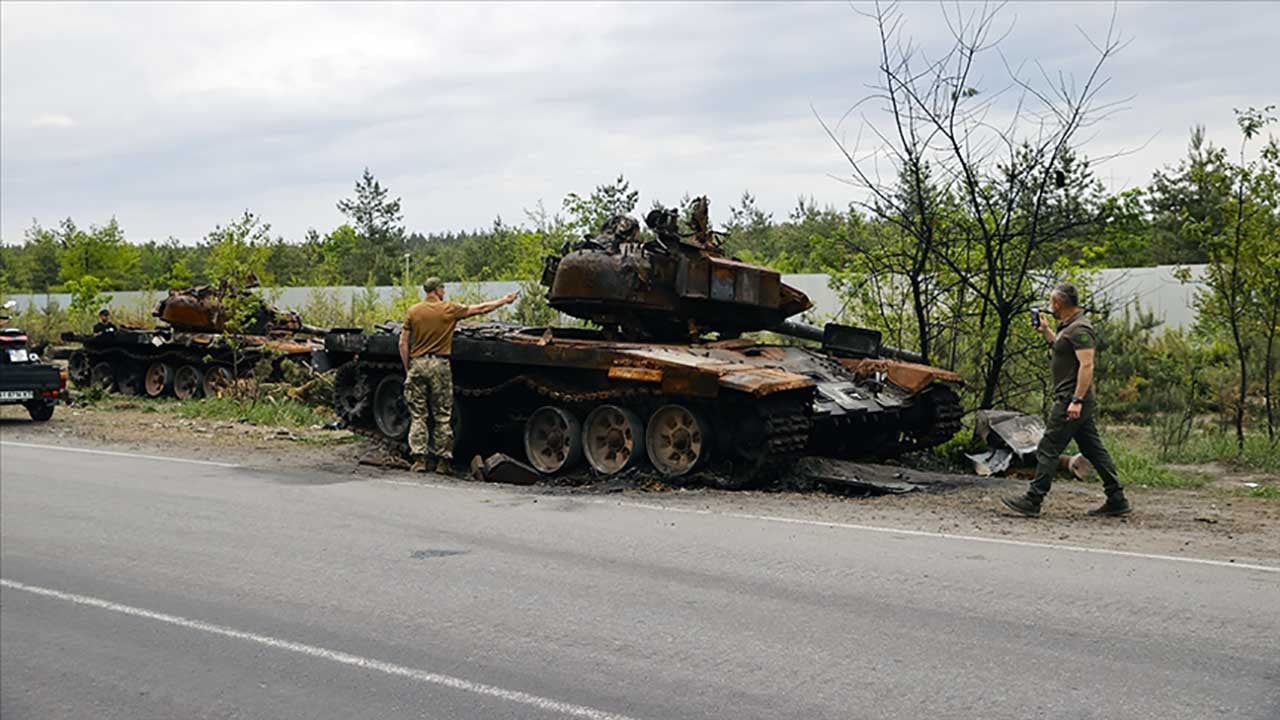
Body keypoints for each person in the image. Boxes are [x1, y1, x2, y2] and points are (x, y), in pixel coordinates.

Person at [1002, 283, 1131, 518]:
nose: (1051, 306)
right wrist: (1046, 332)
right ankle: (1117, 498)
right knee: (1093, 449)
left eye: (1052, 302)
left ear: (1058, 303)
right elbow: (1062, 349)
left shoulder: (1080, 329)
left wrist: (1076, 400)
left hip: (1071, 399)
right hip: (1074, 398)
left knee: (1048, 448)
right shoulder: (1069, 327)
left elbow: (1087, 365)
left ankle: (1033, 499)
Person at [399, 278, 518, 474]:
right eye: (443, 288)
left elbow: (403, 343)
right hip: (439, 365)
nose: (444, 292)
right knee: (442, 416)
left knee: (418, 415)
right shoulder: (449, 309)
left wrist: (408, 368)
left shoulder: (413, 311)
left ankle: (419, 461)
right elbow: (480, 309)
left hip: (417, 364)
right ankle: (443, 463)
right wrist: (504, 300)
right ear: (437, 290)